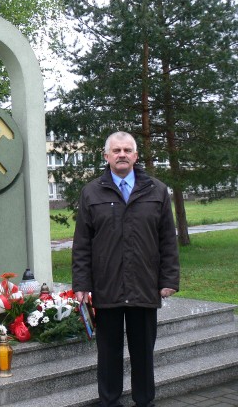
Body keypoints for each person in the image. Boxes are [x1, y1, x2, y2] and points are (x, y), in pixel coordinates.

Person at [72, 131, 179, 407]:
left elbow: (168, 240)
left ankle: (145, 402)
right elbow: (82, 244)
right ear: (106, 156)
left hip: (144, 286)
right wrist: (81, 284)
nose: (122, 155)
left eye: (127, 150)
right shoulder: (91, 192)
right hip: (106, 287)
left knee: (143, 352)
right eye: (116, 150)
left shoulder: (157, 190)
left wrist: (168, 279)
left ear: (135, 155)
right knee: (108, 354)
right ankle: (110, 401)